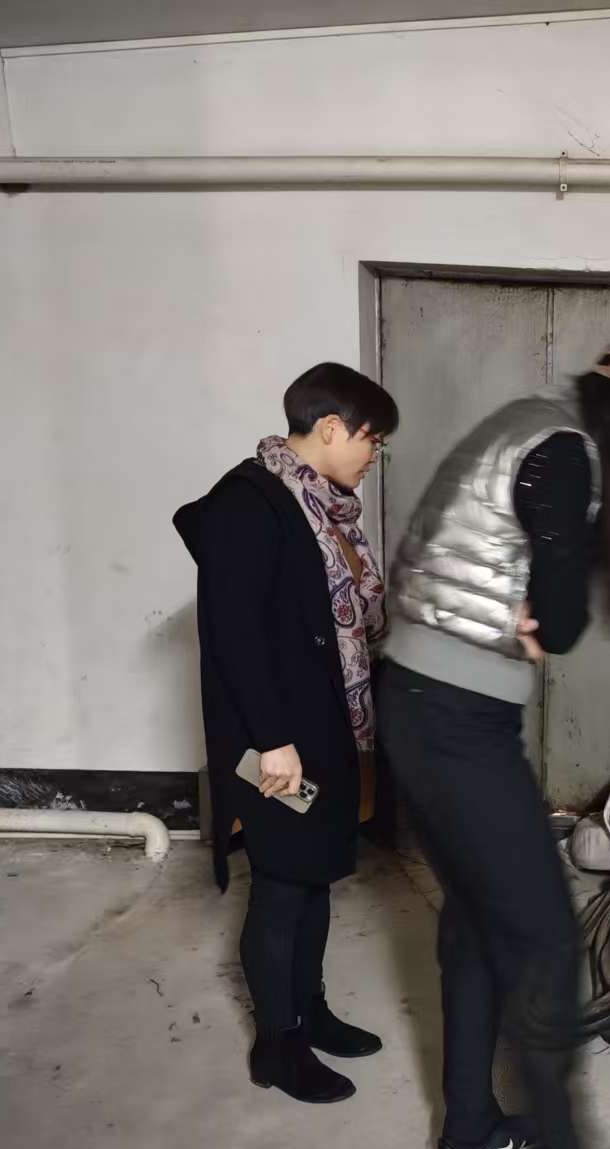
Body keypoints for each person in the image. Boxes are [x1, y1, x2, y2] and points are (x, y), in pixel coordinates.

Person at [379, 335, 610, 1149]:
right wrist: (543, 619)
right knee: (547, 936)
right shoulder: (565, 453)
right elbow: (559, 620)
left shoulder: (526, 422)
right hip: (457, 723)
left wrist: (533, 611)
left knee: (477, 922)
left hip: (414, 699)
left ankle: (469, 1133)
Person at [173, 362, 399, 1105]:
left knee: (313, 875)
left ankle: (311, 1011)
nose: (375, 454)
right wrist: (272, 742)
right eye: (372, 439)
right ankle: (278, 1044)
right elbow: (234, 635)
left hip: (321, 728)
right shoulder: (247, 503)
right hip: (273, 742)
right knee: (279, 884)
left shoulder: (321, 507)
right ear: (332, 428)